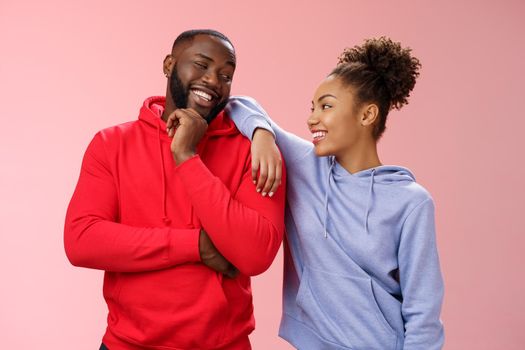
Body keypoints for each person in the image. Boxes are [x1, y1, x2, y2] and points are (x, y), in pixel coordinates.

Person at [64, 29, 286, 350]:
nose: (213, 80)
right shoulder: (111, 144)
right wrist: (195, 245)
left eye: (225, 74)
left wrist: (187, 156)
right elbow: (82, 240)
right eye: (201, 65)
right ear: (169, 64)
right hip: (127, 344)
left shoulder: (253, 151)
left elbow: (255, 255)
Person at [225, 37, 445, 349]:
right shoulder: (305, 165)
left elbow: (423, 311)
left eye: (326, 106)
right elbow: (237, 104)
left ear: (367, 115)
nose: (312, 118)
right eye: (312, 107)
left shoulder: (411, 201)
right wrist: (262, 134)